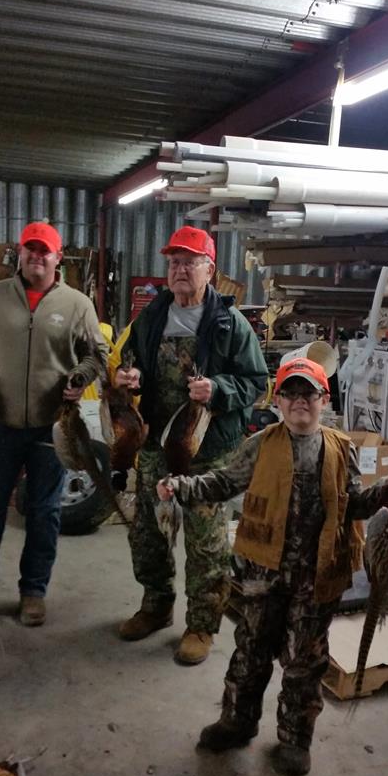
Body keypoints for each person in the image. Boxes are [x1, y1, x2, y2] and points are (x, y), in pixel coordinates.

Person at [157, 357, 388, 774]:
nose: (300, 401)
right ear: (278, 401)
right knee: (250, 653)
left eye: (309, 394)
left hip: (317, 578)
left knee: (304, 664)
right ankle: (237, 721)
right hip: (261, 576)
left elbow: (354, 502)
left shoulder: (341, 449)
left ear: (324, 400)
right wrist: (180, 486)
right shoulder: (261, 444)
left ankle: (295, 741)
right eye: (291, 393)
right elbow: (223, 482)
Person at [0, 221, 108, 633]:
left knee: (45, 511)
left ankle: (33, 592)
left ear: (58, 256)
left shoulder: (77, 304)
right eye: (30, 250)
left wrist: (80, 377)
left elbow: (97, 354)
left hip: (52, 427)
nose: (37, 256)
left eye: (44, 250)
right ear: (21, 254)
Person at [114, 225, 268, 664]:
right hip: (156, 446)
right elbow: (132, 365)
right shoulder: (150, 318)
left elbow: (257, 382)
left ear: (210, 270)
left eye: (190, 261)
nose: (180, 269)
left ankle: (201, 624)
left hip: (208, 452)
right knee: (148, 534)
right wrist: (131, 379)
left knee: (205, 542)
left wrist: (218, 389)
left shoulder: (229, 323)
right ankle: (156, 605)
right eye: (174, 262)